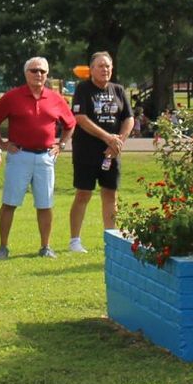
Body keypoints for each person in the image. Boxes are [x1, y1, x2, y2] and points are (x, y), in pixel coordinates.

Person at [0, 56, 76, 260]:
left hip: (45, 157)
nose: (39, 74)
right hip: (20, 156)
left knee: (45, 203)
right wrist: (2, 144)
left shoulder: (55, 98)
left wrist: (61, 144)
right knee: (9, 203)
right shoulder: (12, 97)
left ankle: (45, 246)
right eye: (34, 70)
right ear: (26, 73)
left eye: (43, 71)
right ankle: (3, 247)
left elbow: (70, 124)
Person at [68, 51, 132, 253]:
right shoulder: (83, 89)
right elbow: (81, 118)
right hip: (86, 152)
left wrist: (118, 141)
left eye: (108, 66)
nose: (105, 69)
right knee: (83, 194)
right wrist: (107, 137)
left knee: (110, 194)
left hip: (111, 153)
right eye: (100, 66)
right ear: (92, 69)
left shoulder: (118, 90)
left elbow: (128, 118)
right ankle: (75, 240)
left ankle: (111, 238)